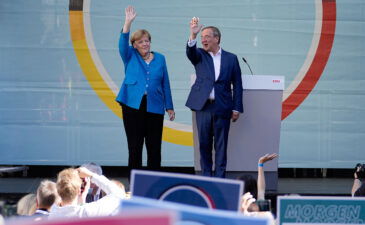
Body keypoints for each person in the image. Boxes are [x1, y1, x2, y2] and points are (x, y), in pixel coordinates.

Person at [116, 6, 175, 172]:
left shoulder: (160, 58)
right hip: (132, 105)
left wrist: (169, 106)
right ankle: (135, 184)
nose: (144, 44)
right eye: (140, 41)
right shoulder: (129, 55)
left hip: (155, 105)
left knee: (154, 147)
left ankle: (153, 182)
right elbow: (122, 43)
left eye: (147, 40)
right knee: (135, 147)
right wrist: (127, 23)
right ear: (134, 45)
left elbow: (166, 83)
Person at [186, 17, 243, 178]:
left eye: (207, 37)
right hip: (203, 107)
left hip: (223, 107)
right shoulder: (199, 55)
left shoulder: (231, 58)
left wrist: (237, 107)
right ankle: (206, 179)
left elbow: (237, 84)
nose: (203, 40)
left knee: (221, 146)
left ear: (216, 38)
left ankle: (220, 180)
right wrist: (193, 35)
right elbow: (190, 52)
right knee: (204, 145)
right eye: (202, 37)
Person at [48, 167, 125, 218]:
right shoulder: (88, 212)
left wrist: (82, 199)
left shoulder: (52, 212)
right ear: (79, 190)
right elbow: (119, 194)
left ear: (58, 190)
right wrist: (91, 175)